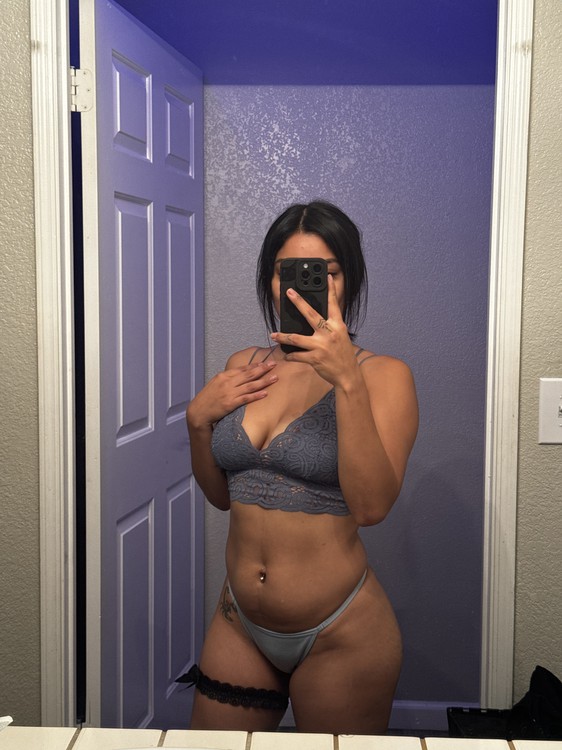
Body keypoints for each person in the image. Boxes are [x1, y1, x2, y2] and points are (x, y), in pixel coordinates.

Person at [182, 201, 418, 734]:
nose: (304, 288)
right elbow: (222, 496)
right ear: (270, 280)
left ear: (349, 278)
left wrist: (346, 381)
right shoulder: (244, 367)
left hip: (341, 632)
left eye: (326, 272)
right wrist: (197, 423)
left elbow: (371, 508)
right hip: (239, 623)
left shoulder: (384, 376)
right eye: (286, 272)